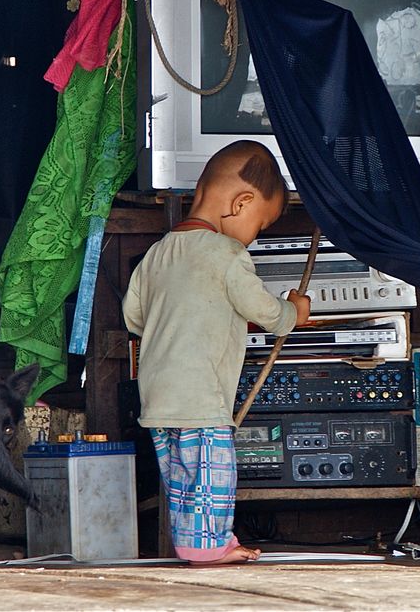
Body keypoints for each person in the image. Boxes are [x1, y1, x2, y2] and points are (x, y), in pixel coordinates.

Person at [123, 140, 311, 565]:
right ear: (240, 203)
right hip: (201, 396)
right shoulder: (228, 254)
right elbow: (265, 312)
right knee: (212, 477)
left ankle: (191, 545)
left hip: (157, 397)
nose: (255, 236)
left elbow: (134, 317)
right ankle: (211, 548)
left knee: (179, 479)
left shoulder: (156, 254)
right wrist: (294, 311)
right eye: (259, 225)